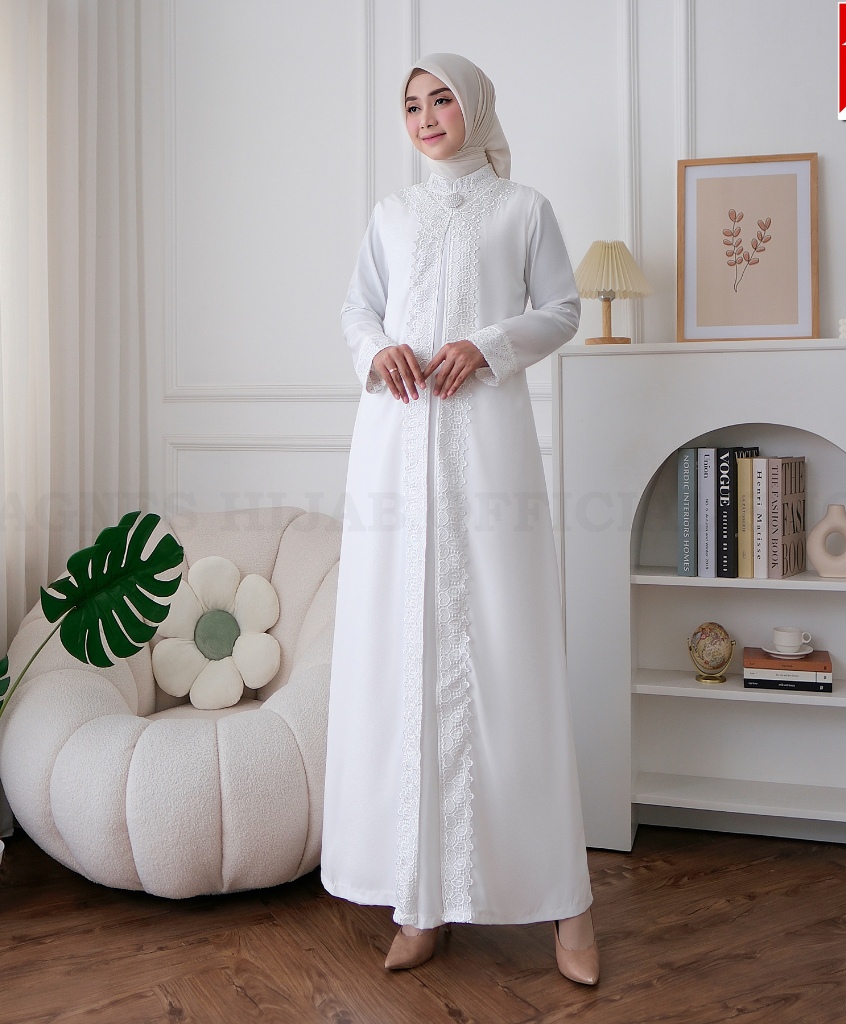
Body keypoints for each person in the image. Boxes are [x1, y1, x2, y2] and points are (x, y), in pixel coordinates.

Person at [321, 53, 598, 986]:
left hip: (485, 452)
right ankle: (418, 902)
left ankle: (567, 906)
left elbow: (562, 309)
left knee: (510, 661)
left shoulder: (524, 209)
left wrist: (486, 345)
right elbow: (356, 310)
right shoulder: (390, 215)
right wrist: (377, 350)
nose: (426, 115)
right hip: (395, 449)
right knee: (400, 661)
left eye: (441, 98)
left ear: (475, 107)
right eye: (411, 104)